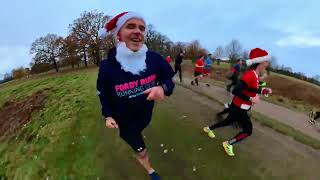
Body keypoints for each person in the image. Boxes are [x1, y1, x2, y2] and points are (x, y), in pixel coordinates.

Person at [97, 11, 175, 180]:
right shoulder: (107, 67)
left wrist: (163, 88)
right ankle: (150, 170)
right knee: (142, 151)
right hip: (126, 124)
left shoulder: (154, 59)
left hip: (146, 115)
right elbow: (103, 94)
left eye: (142, 28)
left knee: (143, 126)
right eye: (130, 26)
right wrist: (108, 115)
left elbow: (169, 78)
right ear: (118, 34)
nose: (138, 31)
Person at [203, 48, 272, 157]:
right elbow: (236, 90)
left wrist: (263, 90)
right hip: (240, 108)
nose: (267, 64)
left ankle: (208, 129)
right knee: (248, 131)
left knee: (228, 121)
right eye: (266, 62)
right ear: (260, 63)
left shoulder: (254, 75)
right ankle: (228, 144)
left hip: (239, 106)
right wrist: (251, 99)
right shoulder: (250, 75)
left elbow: (250, 89)